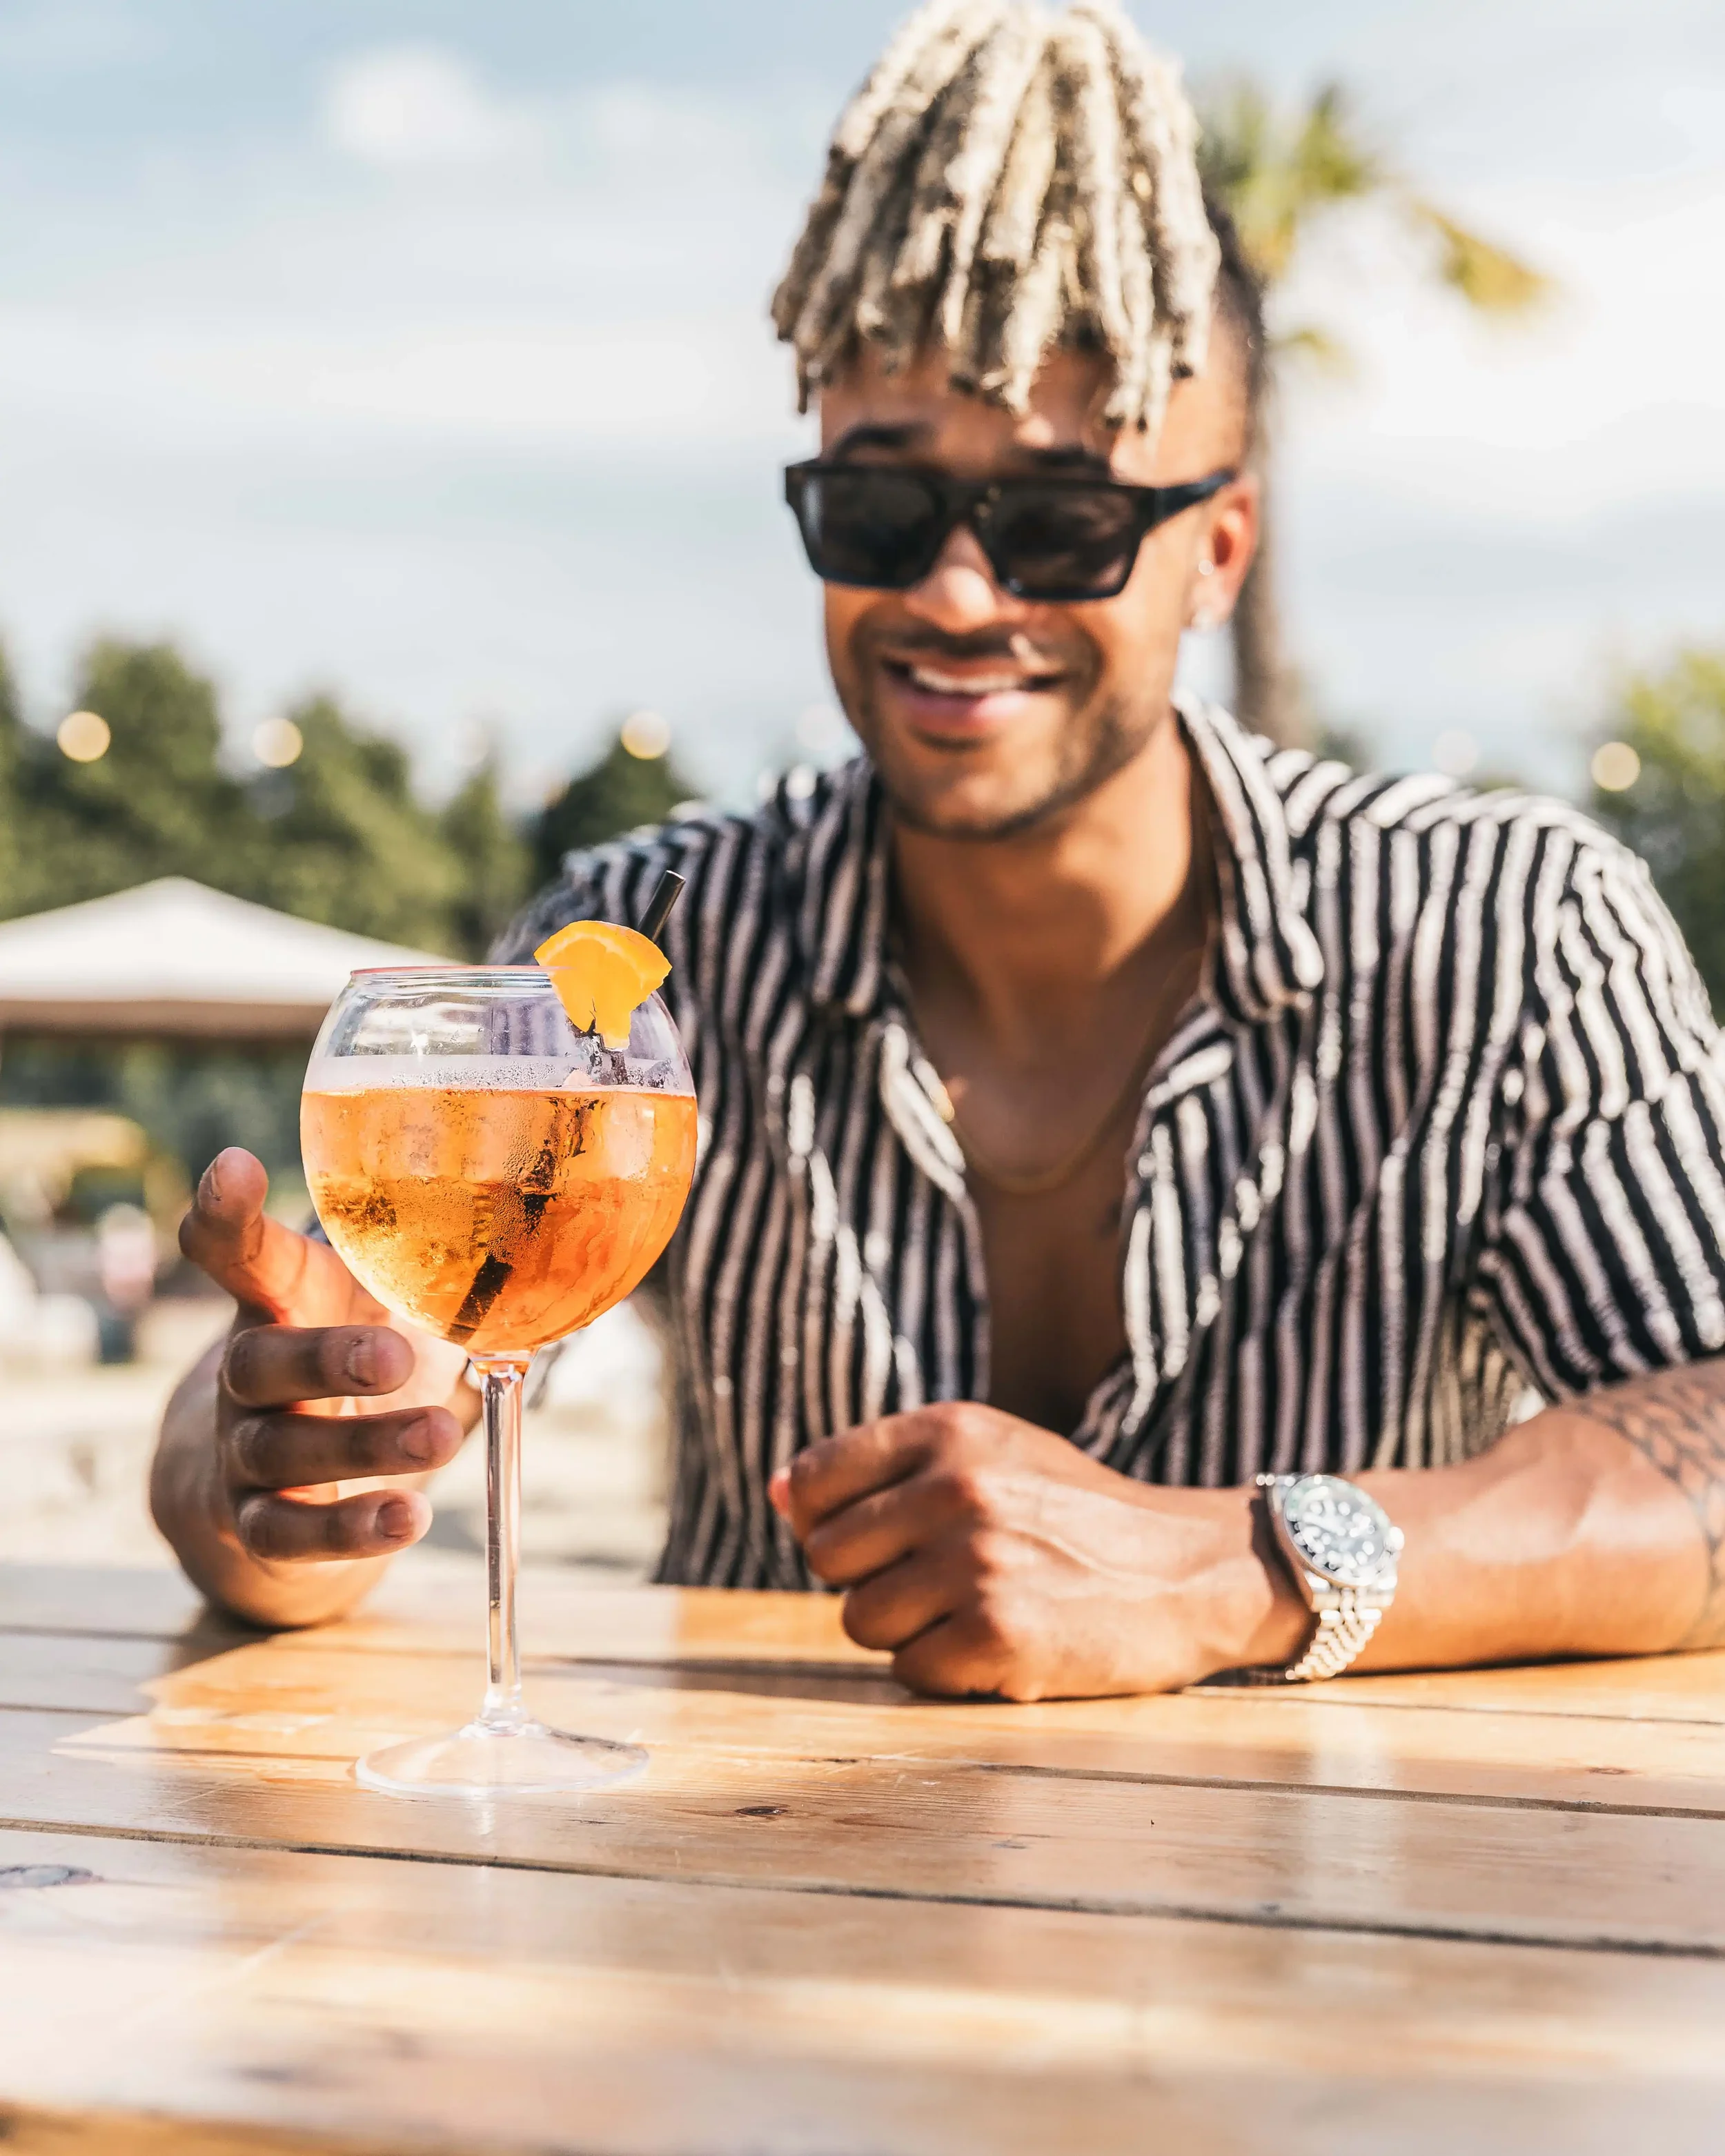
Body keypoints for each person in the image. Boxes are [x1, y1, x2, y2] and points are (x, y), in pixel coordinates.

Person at [154, 0, 1725, 1699]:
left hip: (1349, 1919)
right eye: (879, 510)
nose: (958, 596)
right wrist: (272, 1461)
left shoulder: (1505, 926)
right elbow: (338, 1419)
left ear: (1220, 550)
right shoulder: (651, 946)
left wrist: (1237, 1562)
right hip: (759, 1895)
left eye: (1060, 522)